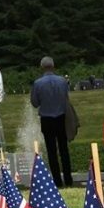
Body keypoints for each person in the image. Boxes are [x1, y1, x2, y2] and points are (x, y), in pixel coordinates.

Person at [30, 56, 73, 187]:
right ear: (53, 66)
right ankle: (68, 179)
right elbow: (66, 98)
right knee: (64, 149)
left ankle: (57, 181)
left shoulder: (38, 83)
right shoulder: (62, 81)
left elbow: (35, 103)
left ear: (42, 67)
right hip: (61, 117)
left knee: (51, 151)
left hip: (47, 118)